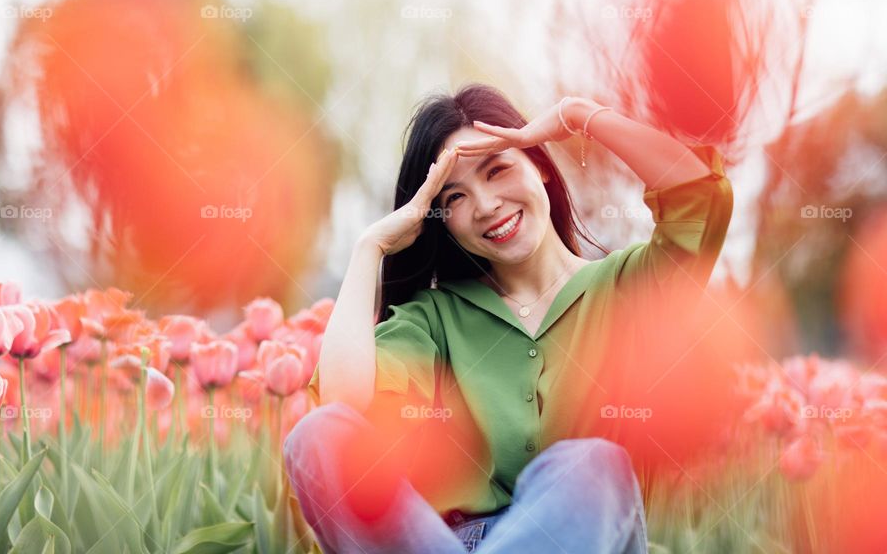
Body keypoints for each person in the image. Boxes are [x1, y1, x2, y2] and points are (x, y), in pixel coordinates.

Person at [283, 83, 734, 553]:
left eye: (497, 169)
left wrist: (578, 116)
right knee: (317, 435)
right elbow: (344, 409)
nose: (485, 205)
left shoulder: (628, 287)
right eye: (454, 197)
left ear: (539, 164)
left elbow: (699, 196)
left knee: (594, 466)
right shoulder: (433, 318)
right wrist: (367, 249)